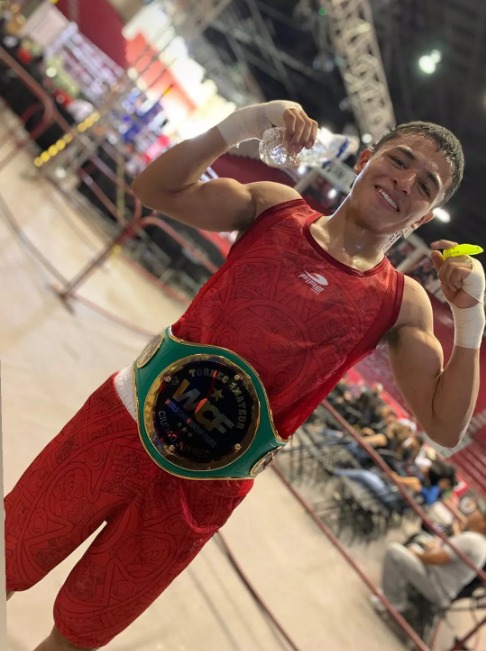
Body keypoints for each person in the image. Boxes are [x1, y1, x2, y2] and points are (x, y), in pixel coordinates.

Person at [5, 100, 485, 651]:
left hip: (204, 488)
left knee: (77, 635)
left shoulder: (404, 304)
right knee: (7, 557)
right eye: (399, 161)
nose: (404, 182)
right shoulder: (273, 206)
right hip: (124, 423)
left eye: (424, 186)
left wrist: (470, 319)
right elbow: (154, 188)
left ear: (423, 218)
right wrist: (240, 126)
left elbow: (445, 426)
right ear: (365, 159)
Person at [373, 505, 486, 612]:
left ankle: (394, 601)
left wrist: (417, 555)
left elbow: (437, 559)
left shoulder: (472, 540)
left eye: (479, 513)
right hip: (440, 583)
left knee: (394, 552)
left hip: (436, 585)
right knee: (414, 547)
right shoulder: (479, 543)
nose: (473, 513)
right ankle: (397, 592)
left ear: (483, 523)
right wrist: (429, 549)